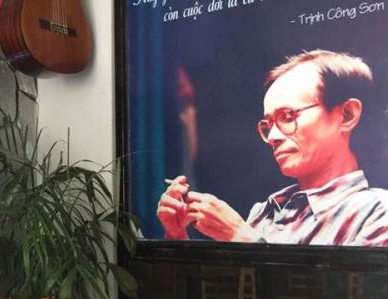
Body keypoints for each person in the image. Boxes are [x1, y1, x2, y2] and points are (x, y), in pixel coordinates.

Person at [157, 50, 388, 246]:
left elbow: (333, 287)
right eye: (268, 125)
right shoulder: (265, 211)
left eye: (288, 116)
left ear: (347, 115)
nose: (273, 137)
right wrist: (177, 237)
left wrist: (239, 236)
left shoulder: (377, 212)